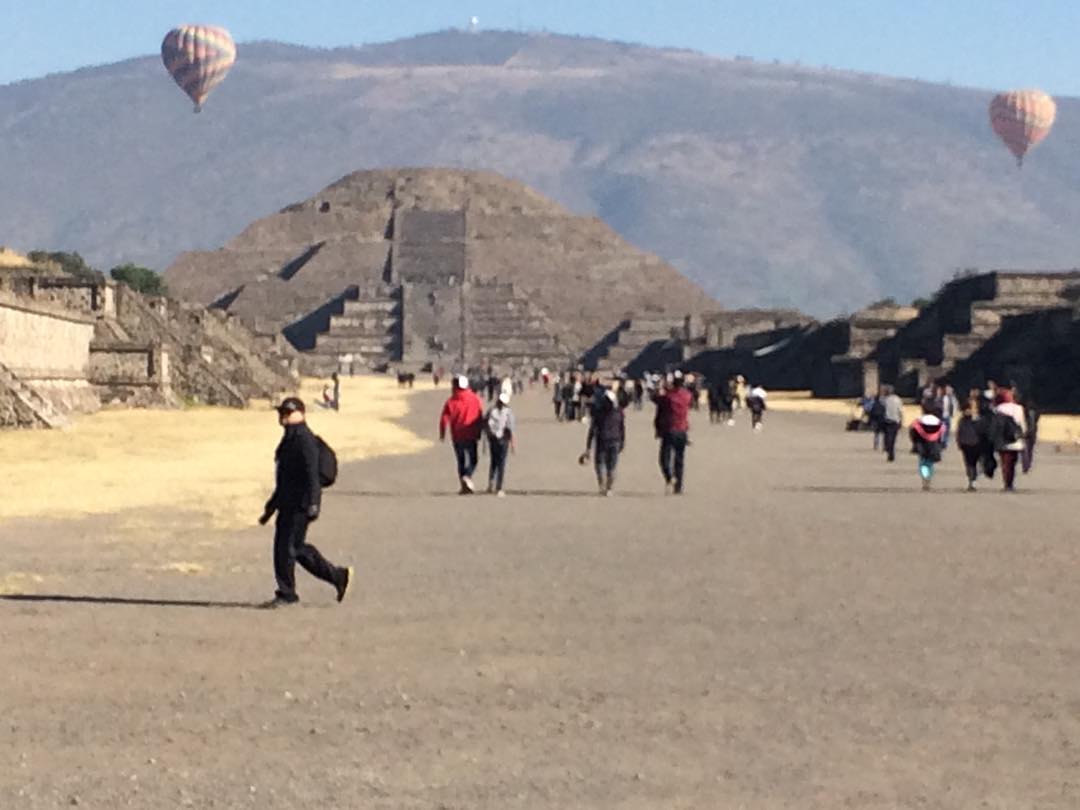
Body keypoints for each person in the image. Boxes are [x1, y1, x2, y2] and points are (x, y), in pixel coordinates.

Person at [259, 397, 352, 608]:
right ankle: (338, 577)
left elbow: (312, 475)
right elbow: (284, 479)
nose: (283, 416)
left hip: (300, 504)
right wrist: (270, 507)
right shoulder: (289, 439)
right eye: (281, 412)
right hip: (288, 503)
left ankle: (287, 594)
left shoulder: (304, 439)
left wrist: (314, 503)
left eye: (288, 412)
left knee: (288, 548)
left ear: (301, 414)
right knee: (294, 548)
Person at [439, 375, 484, 494]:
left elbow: (444, 418)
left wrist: (442, 433)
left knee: (461, 461)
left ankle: (464, 483)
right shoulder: (474, 398)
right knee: (473, 460)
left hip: (457, 435)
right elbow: (480, 416)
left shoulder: (451, 401)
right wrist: (480, 431)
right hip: (471, 434)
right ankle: (467, 477)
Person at [653, 371, 692, 494]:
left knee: (664, 458)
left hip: (670, 429)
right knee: (679, 460)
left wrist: (661, 388)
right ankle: (678, 486)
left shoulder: (668, 397)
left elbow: (656, 399)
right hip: (682, 430)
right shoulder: (687, 395)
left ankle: (670, 477)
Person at [583, 388, 626, 495]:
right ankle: (609, 488)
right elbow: (622, 428)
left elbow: (592, 429)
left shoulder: (598, 412)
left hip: (602, 439)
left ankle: (602, 486)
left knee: (600, 464)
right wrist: (622, 441)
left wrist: (588, 446)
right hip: (615, 440)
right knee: (612, 466)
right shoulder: (619, 412)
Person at [991, 388, 1027, 492]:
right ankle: (1010, 483)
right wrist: (1023, 434)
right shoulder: (1019, 408)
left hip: (1002, 439)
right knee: (1012, 462)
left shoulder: (998, 408)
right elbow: (1022, 423)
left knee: (1004, 462)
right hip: (1015, 439)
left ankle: (1006, 483)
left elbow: (995, 424)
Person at [484, 392, 516, 496]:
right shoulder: (508, 412)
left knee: (494, 461)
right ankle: (499, 487)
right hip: (503, 440)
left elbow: (485, 424)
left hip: (493, 439)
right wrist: (513, 443)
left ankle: (491, 484)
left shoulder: (491, 410)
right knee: (501, 463)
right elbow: (510, 428)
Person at [909, 402, 945, 491]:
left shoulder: (918, 421)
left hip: (922, 444)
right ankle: (929, 477)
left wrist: (915, 442)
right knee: (930, 462)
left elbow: (913, 432)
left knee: (923, 462)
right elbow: (942, 432)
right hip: (934, 443)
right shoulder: (938, 421)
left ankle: (925, 477)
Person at [955, 400, 984, 491]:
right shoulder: (962, 420)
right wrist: (959, 442)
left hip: (977, 444)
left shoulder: (979, 419)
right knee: (969, 464)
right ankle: (971, 481)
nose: (969, 411)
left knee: (974, 463)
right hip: (966, 444)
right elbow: (959, 432)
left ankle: (973, 480)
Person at [881, 384, 904, 462]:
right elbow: (900, 411)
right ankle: (891, 452)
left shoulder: (885, 400)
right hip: (895, 421)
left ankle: (889, 450)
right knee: (893, 438)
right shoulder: (898, 399)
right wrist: (901, 420)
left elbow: (882, 409)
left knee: (888, 437)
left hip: (887, 420)